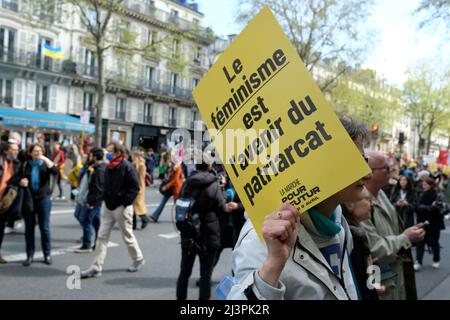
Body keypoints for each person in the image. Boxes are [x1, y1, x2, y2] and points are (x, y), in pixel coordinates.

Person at [228, 117, 372, 300]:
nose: (367, 173)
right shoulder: (262, 239)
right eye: (355, 161)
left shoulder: (338, 223)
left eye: (364, 160)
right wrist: (272, 267)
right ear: (320, 165)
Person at [361, 151, 425, 300]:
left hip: (395, 278)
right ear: (369, 172)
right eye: (386, 168)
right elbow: (373, 248)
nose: (392, 171)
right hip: (380, 284)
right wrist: (406, 238)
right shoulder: (359, 203)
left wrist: (408, 234)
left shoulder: (381, 194)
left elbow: (393, 232)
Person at [81, 142, 145, 278]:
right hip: (108, 207)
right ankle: (96, 267)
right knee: (102, 236)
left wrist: (124, 203)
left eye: (110, 151)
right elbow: (104, 186)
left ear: (118, 153)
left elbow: (135, 188)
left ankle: (138, 259)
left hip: (121, 208)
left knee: (127, 236)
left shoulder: (127, 167)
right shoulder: (108, 166)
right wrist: (102, 199)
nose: (107, 154)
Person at [176, 160, 237, 300]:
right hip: (209, 234)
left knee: (184, 273)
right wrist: (223, 190)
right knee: (206, 275)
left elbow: (180, 200)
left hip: (189, 233)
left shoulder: (188, 182)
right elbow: (223, 206)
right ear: (209, 166)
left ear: (196, 166)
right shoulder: (213, 184)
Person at [22, 143, 58, 266]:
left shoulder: (45, 163)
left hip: (44, 198)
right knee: (29, 229)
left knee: (45, 228)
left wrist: (45, 158)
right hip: (29, 199)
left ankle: (47, 254)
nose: (37, 153)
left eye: (39, 151)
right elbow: (17, 178)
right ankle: (29, 255)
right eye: (35, 151)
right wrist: (21, 182)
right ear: (30, 153)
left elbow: (55, 171)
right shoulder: (26, 164)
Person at [341, 188, 379, 300]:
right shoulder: (352, 236)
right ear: (350, 205)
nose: (372, 204)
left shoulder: (354, 231)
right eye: (367, 199)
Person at [74, 148, 106, 253]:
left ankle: (87, 245)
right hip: (94, 200)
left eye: (91, 155)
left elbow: (97, 188)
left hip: (93, 201)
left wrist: (91, 202)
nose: (89, 157)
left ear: (95, 157)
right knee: (96, 222)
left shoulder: (99, 170)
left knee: (86, 220)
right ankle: (98, 242)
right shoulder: (96, 167)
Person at [414, 177, 445, 271]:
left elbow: (436, 208)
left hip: (434, 224)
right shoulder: (420, 194)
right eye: (423, 184)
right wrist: (427, 207)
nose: (424, 186)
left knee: (434, 243)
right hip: (422, 222)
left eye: (426, 184)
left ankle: (436, 259)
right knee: (420, 243)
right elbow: (416, 207)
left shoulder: (437, 195)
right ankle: (418, 262)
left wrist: (425, 208)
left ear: (431, 185)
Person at [0, 141, 23, 264]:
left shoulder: (17, 164)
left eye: (17, 150)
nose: (15, 152)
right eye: (12, 150)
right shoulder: (1, 162)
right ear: (6, 151)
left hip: (5, 201)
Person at [150, 155, 184, 223]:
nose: (170, 160)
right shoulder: (173, 167)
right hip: (171, 188)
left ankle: (180, 219)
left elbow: (175, 180)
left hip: (176, 188)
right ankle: (155, 216)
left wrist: (166, 186)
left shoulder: (178, 167)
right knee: (164, 202)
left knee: (177, 204)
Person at [131, 149, 150, 229]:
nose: (132, 157)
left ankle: (145, 219)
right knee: (133, 206)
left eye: (133, 156)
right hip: (136, 187)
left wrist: (139, 188)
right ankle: (133, 224)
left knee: (137, 206)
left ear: (136, 156)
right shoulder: (136, 164)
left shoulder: (141, 165)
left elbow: (141, 178)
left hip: (139, 187)